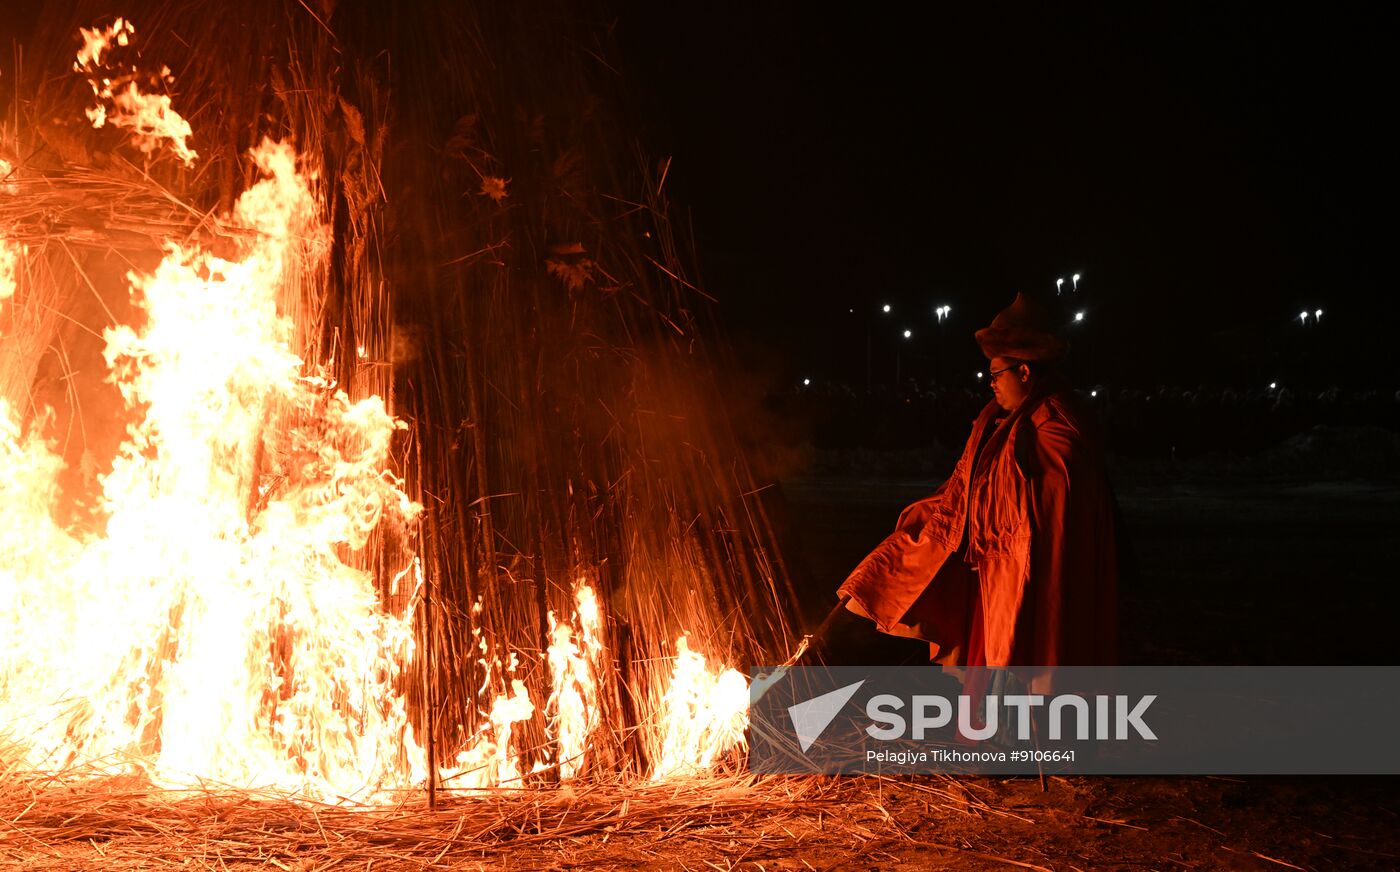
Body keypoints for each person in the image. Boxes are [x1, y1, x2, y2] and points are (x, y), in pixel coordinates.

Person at [836, 293, 1118, 692]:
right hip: (994, 575)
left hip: (1036, 582)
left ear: (1023, 372)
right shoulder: (997, 423)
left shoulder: (1058, 424)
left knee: (1032, 667)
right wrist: (922, 525)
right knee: (992, 672)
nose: (991, 384)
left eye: (996, 375)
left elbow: (1055, 513)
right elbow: (964, 492)